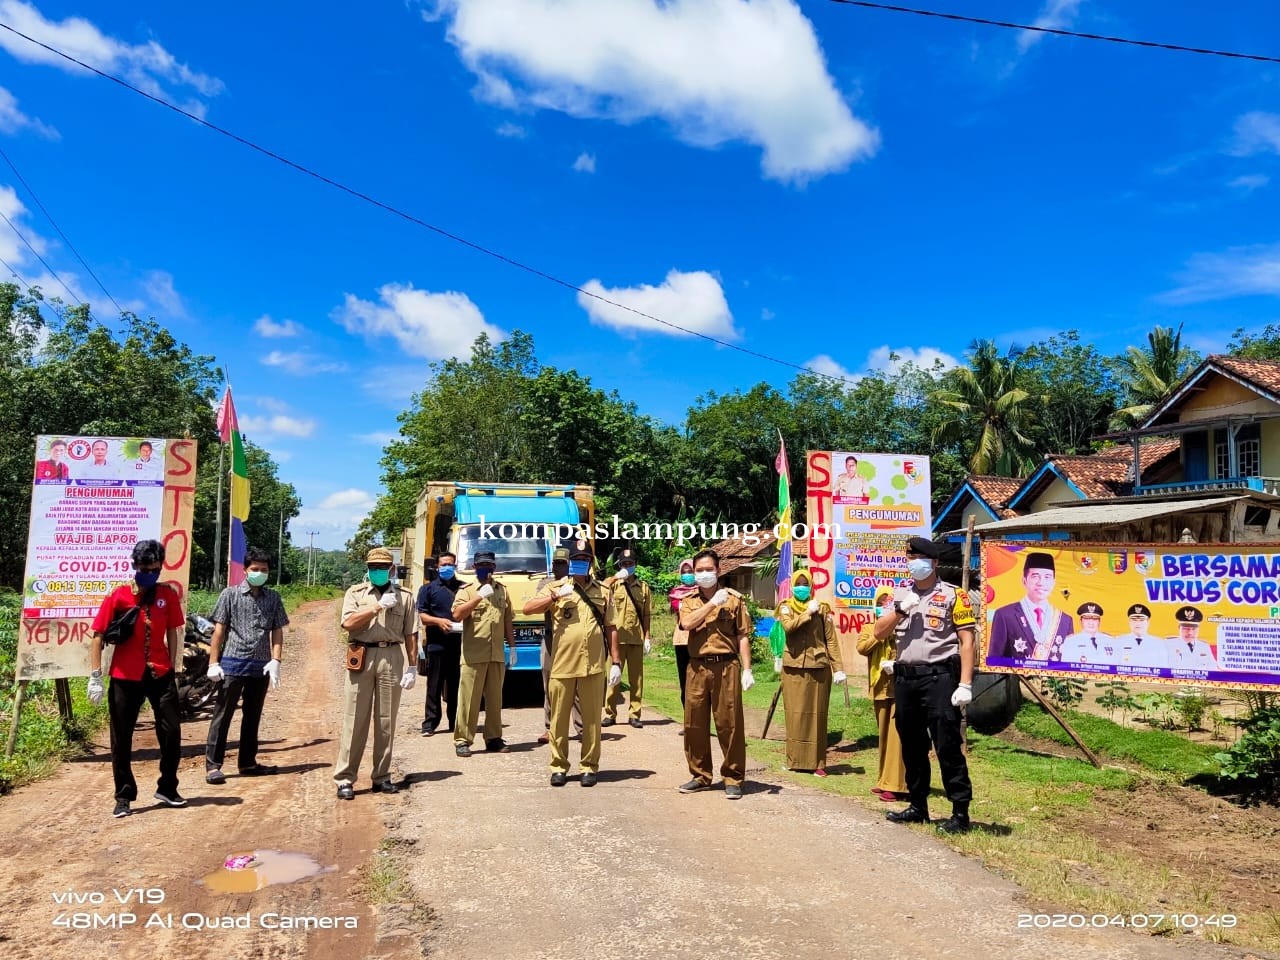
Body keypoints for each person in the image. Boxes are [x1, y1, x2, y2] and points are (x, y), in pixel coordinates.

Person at [875, 536, 976, 833]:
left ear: (933, 562)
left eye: (919, 558)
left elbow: (967, 641)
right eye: (910, 558)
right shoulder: (900, 594)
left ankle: (960, 813)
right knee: (912, 745)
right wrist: (899, 610)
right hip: (906, 679)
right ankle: (918, 806)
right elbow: (879, 633)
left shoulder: (954, 595)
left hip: (939, 678)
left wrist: (965, 683)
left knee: (947, 745)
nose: (913, 563)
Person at [86, 539, 187, 818]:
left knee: (172, 731)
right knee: (121, 736)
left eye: (155, 569)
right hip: (125, 674)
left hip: (160, 671)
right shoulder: (118, 595)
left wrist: (173, 666)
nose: (150, 573)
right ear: (135, 566)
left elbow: (173, 631)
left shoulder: (167, 594)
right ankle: (124, 795)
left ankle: (168, 787)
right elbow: (97, 636)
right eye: (145, 569)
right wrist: (95, 676)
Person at [525, 540, 621, 787]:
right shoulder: (555, 586)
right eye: (576, 559)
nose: (580, 562)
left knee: (591, 720)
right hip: (563, 665)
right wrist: (555, 596)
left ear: (591, 562)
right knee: (558, 720)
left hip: (593, 665)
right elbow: (528, 608)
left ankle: (589, 767)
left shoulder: (603, 591)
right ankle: (559, 766)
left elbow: (611, 627)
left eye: (584, 559)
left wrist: (616, 662)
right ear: (569, 563)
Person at [333, 547, 417, 800]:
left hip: (391, 655)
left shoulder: (405, 596)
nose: (377, 571)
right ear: (367, 569)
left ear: (392, 570)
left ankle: (381, 776)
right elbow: (348, 623)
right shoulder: (356, 593)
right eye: (373, 567)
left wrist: (413, 666)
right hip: (362, 654)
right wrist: (377, 607)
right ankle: (345, 778)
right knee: (354, 719)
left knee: (386, 720)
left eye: (382, 567)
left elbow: (411, 633)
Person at [204, 546, 288, 783]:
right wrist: (213, 662)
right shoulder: (230, 595)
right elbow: (219, 631)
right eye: (255, 569)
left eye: (264, 570)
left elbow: (277, 630)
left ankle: (248, 763)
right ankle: (213, 766)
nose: (259, 573)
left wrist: (276, 659)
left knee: (253, 716)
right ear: (245, 570)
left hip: (261, 666)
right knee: (222, 715)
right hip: (233, 663)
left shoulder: (273, 598)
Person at [677, 549, 753, 799]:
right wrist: (712, 604)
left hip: (726, 666)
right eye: (699, 570)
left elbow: (742, 635)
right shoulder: (688, 600)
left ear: (718, 571)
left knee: (729, 724)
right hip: (697, 666)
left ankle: (733, 777)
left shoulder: (734, 600)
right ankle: (700, 775)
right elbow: (687, 624)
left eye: (709, 569)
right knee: (694, 723)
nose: (704, 574)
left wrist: (747, 669)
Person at [775, 569, 846, 776]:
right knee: (794, 715)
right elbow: (789, 627)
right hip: (793, 668)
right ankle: (795, 761)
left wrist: (838, 669)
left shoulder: (822, 609)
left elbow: (831, 640)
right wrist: (807, 613)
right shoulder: (786, 607)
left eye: (805, 584)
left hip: (818, 667)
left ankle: (818, 763)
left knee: (817, 716)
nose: (802, 588)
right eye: (798, 584)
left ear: (811, 587)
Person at [451, 550, 515, 756]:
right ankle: (463, 739)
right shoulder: (467, 590)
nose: (485, 569)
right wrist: (478, 597)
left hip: (496, 654)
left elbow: (507, 620)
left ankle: (493, 738)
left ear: (494, 567)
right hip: (474, 655)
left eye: (488, 565)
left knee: (495, 700)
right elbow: (457, 615)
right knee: (469, 700)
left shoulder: (502, 590)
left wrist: (512, 647)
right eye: (480, 566)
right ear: (474, 567)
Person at [855, 586, 907, 801]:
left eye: (888, 604)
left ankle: (898, 785)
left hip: (901, 687)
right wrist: (880, 633)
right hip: (879, 688)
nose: (883, 607)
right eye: (880, 604)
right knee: (884, 737)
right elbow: (862, 648)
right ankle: (884, 779)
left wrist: (898, 665)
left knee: (898, 737)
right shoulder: (870, 627)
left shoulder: (904, 627)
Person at [526, 547, 581, 745]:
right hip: (551, 640)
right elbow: (533, 606)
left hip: (573, 641)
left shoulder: (579, 583)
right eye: (556, 563)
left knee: (577, 685)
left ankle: (582, 727)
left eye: (562, 563)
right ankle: (550, 728)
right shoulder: (546, 584)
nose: (558, 567)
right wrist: (556, 594)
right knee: (550, 684)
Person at [986, 552, 1073, 661]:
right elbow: (995, 660)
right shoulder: (1005, 615)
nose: (1041, 583)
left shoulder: (1065, 620)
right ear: (1024, 580)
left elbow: (1070, 660)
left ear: (1053, 582)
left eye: (1047, 577)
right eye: (1035, 576)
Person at [416, 552, 464, 737]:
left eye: (450, 564)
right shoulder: (427, 589)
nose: (447, 567)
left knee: (456, 685)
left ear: (455, 566)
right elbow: (423, 616)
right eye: (443, 564)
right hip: (436, 644)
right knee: (434, 685)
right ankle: (430, 723)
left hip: (458, 644)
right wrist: (438, 621)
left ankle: (455, 722)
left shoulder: (463, 588)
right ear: (437, 566)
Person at [604, 547, 651, 729]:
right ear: (619, 565)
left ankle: (634, 714)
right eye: (624, 563)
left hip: (636, 639)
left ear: (636, 564)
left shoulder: (643, 587)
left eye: (630, 563)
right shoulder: (614, 585)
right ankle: (610, 713)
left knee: (636, 679)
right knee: (613, 678)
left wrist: (647, 637)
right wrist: (616, 577)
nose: (627, 566)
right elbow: (601, 588)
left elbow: (646, 615)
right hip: (616, 640)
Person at [669, 558, 697, 717]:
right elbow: (679, 607)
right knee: (685, 680)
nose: (687, 574)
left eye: (690, 571)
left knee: (700, 680)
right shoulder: (675, 593)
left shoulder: (704, 591)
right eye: (684, 572)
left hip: (701, 639)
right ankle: (688, 717)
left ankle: (701, 718)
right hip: (682, 640)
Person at [1060, 602, 1117, 667]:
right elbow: (1066, 667)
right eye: (1086, 618)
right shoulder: (1070, 641)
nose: (1091, 623)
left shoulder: (1111, 640)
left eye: (1095, 618)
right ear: (1081, 621)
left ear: (1099, 621)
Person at [1114, 603, 1170, 669]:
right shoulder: (1119, 641)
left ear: (1148, 622)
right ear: (1129, 622)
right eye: (1134, 620)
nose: (1138, 623)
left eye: (1141, 620)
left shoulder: (1158, 643)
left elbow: (1163, 667)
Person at [1169, 605, 1219, 671]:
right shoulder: (1169, 644)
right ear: (1179, 628)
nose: (1190, 632)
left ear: (1198, 629)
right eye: (1185, 628)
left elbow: (1213, 669)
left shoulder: (1204, 646)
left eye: (1193, 629)